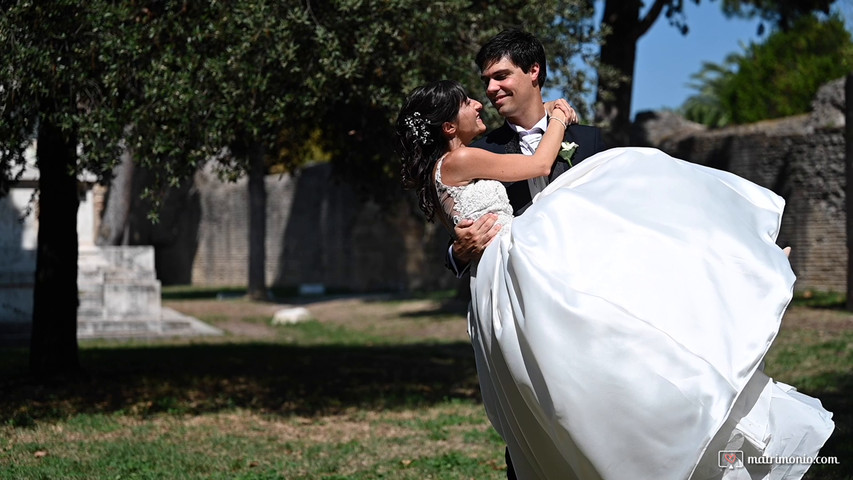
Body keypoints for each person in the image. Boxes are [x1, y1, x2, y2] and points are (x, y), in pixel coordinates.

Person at [395, 79, 834, 479]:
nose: (483, 96)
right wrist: (560, 121)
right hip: (518, 269)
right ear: (448, 127)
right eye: (469, 99)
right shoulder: (473, 152)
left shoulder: (581, 143)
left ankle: (735, 263)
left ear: (532, 72)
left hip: (508, 279)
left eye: (497, 77)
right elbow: (538, 167)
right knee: (563, 369)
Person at [446, 28, 606, 278]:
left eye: (500, 76)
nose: (490, 88)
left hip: (589, 276)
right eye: (486, 80)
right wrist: (458, 251)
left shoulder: (589, 140)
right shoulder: (479, 152)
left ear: (534, 71)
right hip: (519, 289)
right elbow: (462, 232)